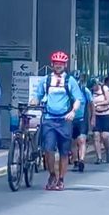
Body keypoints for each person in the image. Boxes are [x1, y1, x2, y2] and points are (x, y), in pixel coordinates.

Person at [30, 51, 82, 191]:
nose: (58, 66)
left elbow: (78, 99)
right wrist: (33, 103)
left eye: (61, 64)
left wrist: (73, 112)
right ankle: (52, 174)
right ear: (52, 64)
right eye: (56, 63)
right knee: (48, 149)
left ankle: (61, 179)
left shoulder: (69, 80)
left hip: (64, 120)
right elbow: (38, 96)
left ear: (65, 65)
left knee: (64, 152)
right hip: (49, 119)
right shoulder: (46, 80)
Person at [71, 71, 95, 172]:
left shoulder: (85, 91)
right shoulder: (68, 90)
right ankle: (75, 160)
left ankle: (81, 160)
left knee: (82, 140)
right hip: (70, 119)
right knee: (72, 142)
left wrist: (92, 116)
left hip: (82, 119)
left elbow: (91, 103)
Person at [88, 77, 109, 164]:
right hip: (96, 115)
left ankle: (108, 151)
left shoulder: (104, 88)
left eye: (93, 86)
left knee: (105, 136)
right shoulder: (91, 92)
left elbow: (107, 100)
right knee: (96, 135)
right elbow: (90, 105)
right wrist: (92, 117)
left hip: (106, 114)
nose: (93, 88)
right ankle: (99, 157)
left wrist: (97, 104)